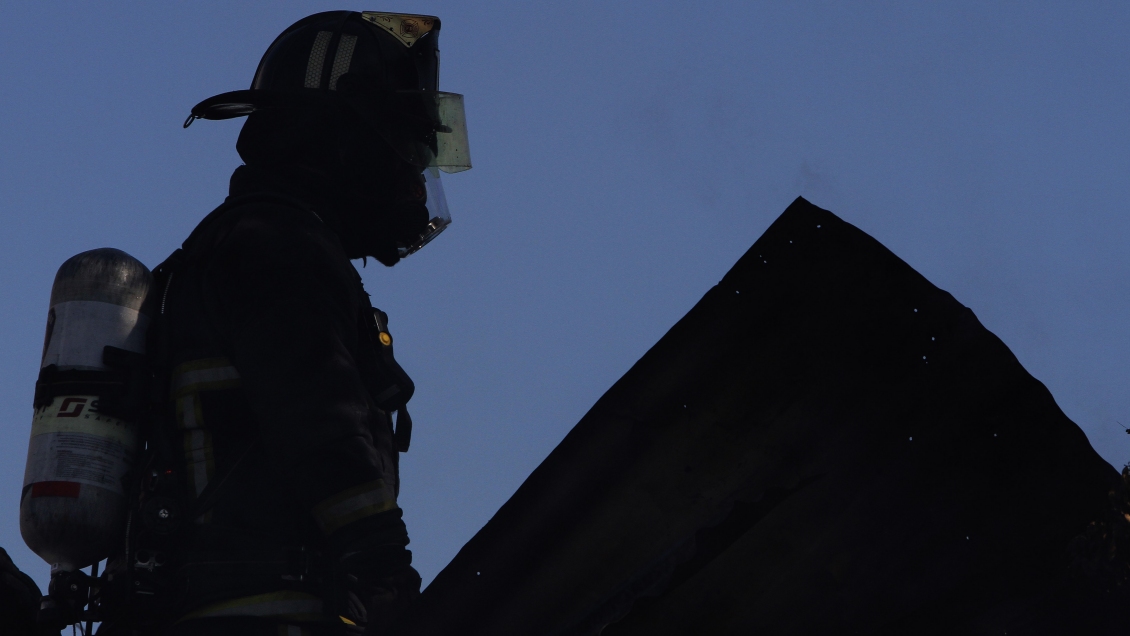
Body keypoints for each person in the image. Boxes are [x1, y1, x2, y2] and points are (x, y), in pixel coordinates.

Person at [97, 10, 471, 635]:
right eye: (404, 143)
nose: (411, 177)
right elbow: (317, 417)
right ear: (344, 135)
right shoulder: (278, 247)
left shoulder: (226, 251)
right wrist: (387, 573)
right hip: (269, 610)